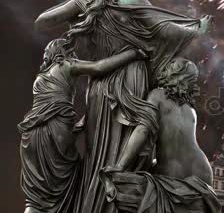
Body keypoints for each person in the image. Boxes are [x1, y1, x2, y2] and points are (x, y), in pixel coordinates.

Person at [34, 0, 211, 213]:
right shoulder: (137, 3)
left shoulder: (86, 2)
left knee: (97, 153)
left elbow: (43, 21)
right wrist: (197, 29)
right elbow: (168, 33)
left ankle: (93, 206)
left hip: (99, 85)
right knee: (132, 152)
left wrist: (80, 11)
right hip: (134, 80)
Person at [19, 38, 146, 213]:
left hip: (31, 136)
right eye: (69, 49)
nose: (74, 52)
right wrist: (133, 53)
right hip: (55, 131)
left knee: (37, 197)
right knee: (65, 184)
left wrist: (79, 124)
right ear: (62, 52)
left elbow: (50, 108)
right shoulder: (67, 64)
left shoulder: (40, 77)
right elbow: (99, 67)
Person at [100, 58, 219, 213]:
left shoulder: (157, 95)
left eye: (170, 67)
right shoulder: (190, 109)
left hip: (174, 173)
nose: (166, 68)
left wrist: (120, 165)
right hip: (204, 174)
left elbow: (143, 130)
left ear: (175, 74)